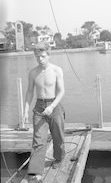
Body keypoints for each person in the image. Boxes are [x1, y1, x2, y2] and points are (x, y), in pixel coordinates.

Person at [21, 42, 65, 183]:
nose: (40, 59)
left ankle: (58, 158)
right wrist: (25, 110)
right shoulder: (33, 72)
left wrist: (52, 106)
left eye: (43, 56)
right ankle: (36, 172)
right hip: (39, 107)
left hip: (55, 105)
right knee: (38, 140)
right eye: (37, 56)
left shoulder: (57, 70)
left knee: (58, 136)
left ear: (49, 55)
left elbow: (62, 91)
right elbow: (29, 92)